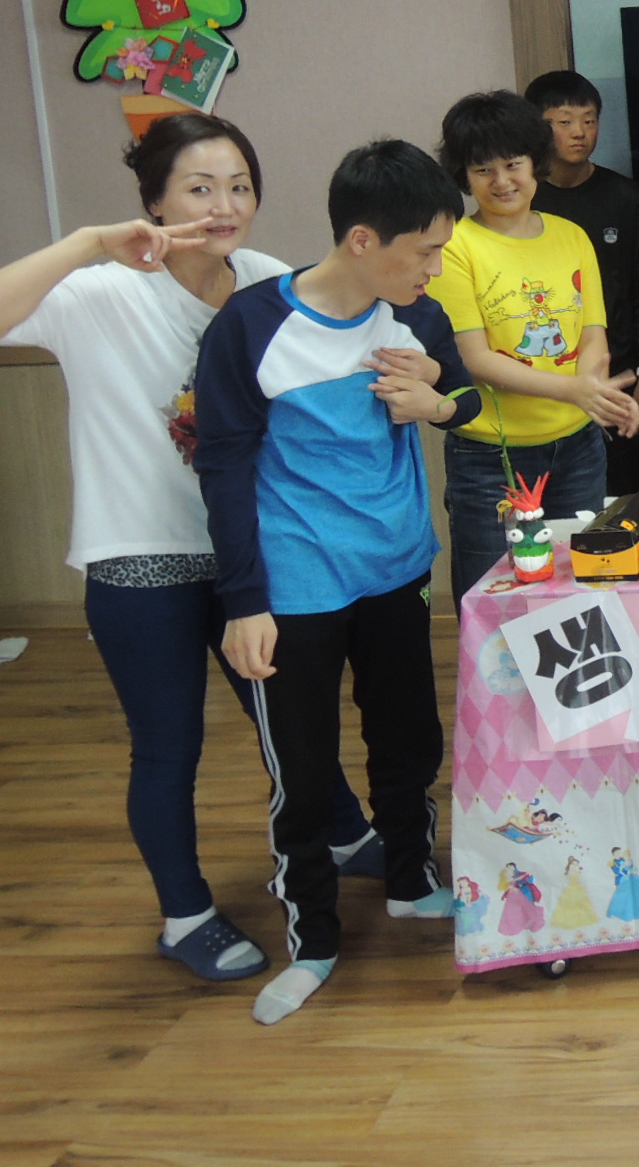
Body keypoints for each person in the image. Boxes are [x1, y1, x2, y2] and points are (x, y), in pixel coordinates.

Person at [0, 115, 378, 985]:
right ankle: (185, 915)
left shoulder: (264, 281)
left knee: (288, 716)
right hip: (141, 555)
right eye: (199, 188)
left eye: (240, 186)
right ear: (153, 200)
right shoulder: (101, 292)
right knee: (167, 745)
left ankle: (342, 830)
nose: (225, 205)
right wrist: (87, 242)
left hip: (251, 549)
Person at [196, 139, 485, 1023]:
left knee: (408, 740)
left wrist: (437, 401)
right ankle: (313, 941)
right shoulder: (251, 326)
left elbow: (466, 399)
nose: (435, 269)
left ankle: (411, 882)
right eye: (425, 250)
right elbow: (222, 467)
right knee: (306, 771)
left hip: (397, 568)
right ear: (363, 240)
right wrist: (244, 600)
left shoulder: (417, 316)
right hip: (295, 586)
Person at [430, 91, 638, 607]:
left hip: (578, 450)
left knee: (577, 593)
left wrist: (594, 392)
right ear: (464, 175)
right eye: (483, 170)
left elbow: (593, 334)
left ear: (535, 162)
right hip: (490, 457)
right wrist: (578, 391)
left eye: (512, 164)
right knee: (495, 598)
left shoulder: (572, 237)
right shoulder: (455, 246)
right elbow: (476, 359)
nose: (501, 181)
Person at [525, 69, 639, 496]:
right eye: (564, 122)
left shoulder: (625, 196)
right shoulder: (524, 201)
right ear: (537, 127)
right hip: (546, 381)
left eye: (589, 120)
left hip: (618, 378)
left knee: (631, 500)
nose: (580, 132)